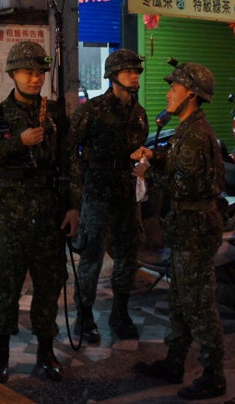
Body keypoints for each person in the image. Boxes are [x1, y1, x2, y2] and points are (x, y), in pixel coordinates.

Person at [0, 41, 79, 383]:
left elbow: (71, 163)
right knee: (7, 287)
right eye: (28, 72)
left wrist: (74, 206)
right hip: (11, 219)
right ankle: (0, 354)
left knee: (48, 286)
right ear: (13, 74)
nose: (35, 79)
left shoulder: (57, 115)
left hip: (49, 216)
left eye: (40, 72)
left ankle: (46, 353)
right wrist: (19, 142)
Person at [131, 61, 227, 400]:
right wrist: (156, 158)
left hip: (195, 229)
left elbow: (184, 187)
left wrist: (147, 172)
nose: (169, 93)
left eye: (175, 88)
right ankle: (174, 362)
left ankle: (214, 375)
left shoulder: (197, 135)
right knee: (179, 301)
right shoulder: (187, 130)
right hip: (185, 228)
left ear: (192, 96)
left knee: (198, 304)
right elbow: (179, 167)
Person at [69, 49, 148, 343]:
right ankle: (84, 316)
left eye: (137, 71)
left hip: (126, 194)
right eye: (128, 71)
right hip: (97, 193)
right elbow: (71, 152)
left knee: (128, 256)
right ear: (112, 76)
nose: (134, 75)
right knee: (91, 257)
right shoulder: (90, 111)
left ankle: (120, 312)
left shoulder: (139, 113)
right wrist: (77, 194)